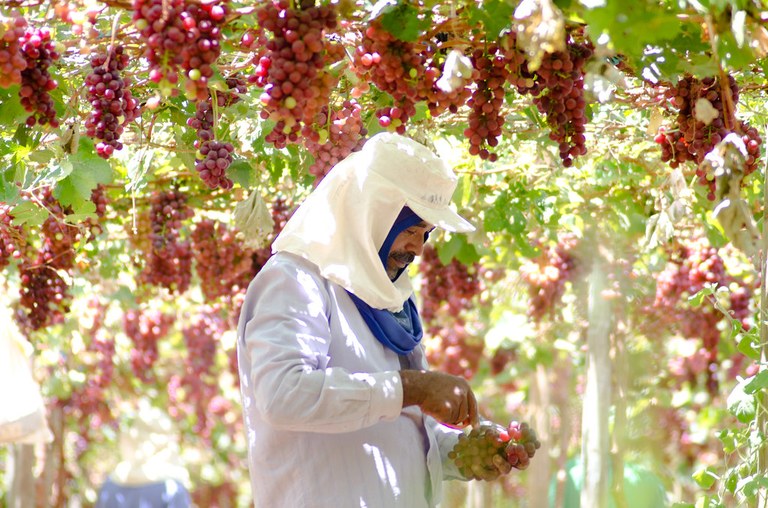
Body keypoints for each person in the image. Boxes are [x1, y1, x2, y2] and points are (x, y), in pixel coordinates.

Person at [237, 132, 512, 508]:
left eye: (425, 235)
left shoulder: (389, 293)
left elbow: (397, 425)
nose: (418, 248)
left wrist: (460, 454)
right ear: (371, 216)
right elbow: (284, 394)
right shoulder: (295, 281)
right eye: (411, 230)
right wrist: (412, 388)